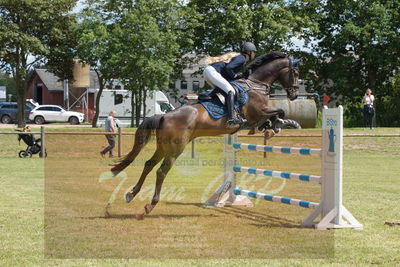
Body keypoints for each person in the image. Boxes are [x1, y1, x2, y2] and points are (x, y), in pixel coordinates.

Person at [203, 42, 257, 125]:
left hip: (209, 71)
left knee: (221, 90)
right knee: (231, 91)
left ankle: (205, 98)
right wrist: (237, 75)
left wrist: (240, 76)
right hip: (213, 71)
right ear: (249, 52)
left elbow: (228, 74)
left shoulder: (240, 58)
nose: (255, 54)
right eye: (254, 52)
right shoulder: (242, 58)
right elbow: (229, 68)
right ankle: (232, 118)